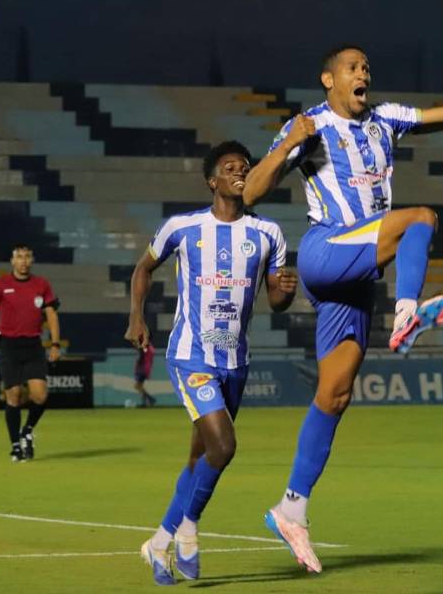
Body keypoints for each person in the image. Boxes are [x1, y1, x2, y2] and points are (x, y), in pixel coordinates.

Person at [242, 43, 443, 572]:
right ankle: (407, 313)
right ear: (328, 79)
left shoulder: (386, 119)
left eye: (366, 67)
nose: (364, 73)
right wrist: (288, 142)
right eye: (353, 67)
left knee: (335, 394)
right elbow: (250, 194)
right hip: (325, 252)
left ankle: (291, 508)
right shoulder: (310, 126)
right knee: (422, 217)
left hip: (358, 274)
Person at [125, 140, 298, 586]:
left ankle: (158, 543)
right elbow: (143, 268)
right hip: (191, 355)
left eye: (245, 167)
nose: (240, 172)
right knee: (224, 446)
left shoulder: (269, 233)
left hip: (235, 361)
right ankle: (186, 530)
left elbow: (276, 301)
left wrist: (286, 291)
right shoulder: (182, 228)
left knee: (200, 458)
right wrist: (136, 317)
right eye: (230, 167)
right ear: (212, 181)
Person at [0, 244, 61, 462]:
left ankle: (27, 430)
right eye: (19, 257)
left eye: (27, 257)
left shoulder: (42, 284)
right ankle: (15, 445)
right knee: (13, 395)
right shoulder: (1, 284)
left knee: (40, 395)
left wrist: (55, 344)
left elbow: (52, 315)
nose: (23, 261)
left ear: (32, 260)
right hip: (9, 346)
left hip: (33, 345)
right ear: (12, 261)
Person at [135, 342, 157, 407]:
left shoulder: (145, 347)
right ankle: (144, 402)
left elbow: (141, 356)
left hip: (142, 369)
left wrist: (138, 365)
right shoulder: (151, 348)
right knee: (140, 386)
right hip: (147, 369)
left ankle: (150, 399)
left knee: (137, 386)